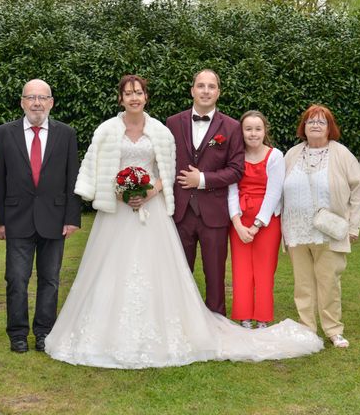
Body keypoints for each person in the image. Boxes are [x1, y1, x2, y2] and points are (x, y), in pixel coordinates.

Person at [45, 75, 323, 369]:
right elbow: (114, 167)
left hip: (183, 210)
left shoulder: (207, 128)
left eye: (139, 92)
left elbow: (205, 168)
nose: (134, 98)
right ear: (121, 98)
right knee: (133, 271)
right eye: (129, 94)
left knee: (198, 273)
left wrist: (160, 188)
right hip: (139, 213)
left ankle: (207, 322)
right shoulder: (152, 125)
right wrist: (122, 192)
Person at [0, 79, 80, 354]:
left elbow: (72, 178)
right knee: (16, 279)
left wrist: (72, 217)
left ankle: (45, 332)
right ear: (22, 102)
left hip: (54, 218)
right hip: (16, 217)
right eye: (31, 97)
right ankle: (17, 334)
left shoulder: (66, 134)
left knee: (50, 279)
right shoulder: (4, 133)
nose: (37, 103)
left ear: (51, 103)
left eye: (43, 98)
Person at [282, 105, 360, 349]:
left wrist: (352, 227)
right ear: (303, 128)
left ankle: (333, 329)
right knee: (303, 283)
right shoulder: (292, 154)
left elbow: (359, 188)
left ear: (330, 128)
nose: (315, 125)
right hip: (296, 230)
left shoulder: (340, 153)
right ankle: (307, 327)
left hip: (329, 231)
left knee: (329, 281)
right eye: (311, 122)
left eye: (321, 122)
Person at [166, 69, 244, 316]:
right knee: (178, 273)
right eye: (201, 86)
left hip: (214, 213)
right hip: (180, 212)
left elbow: (236, 170)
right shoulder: (172, 123)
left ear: (218, 92)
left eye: (211, 86)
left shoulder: (231, 127)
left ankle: (216, 323)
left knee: (215, 275)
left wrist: (201, 179)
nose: (206, 91)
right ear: (192, 90)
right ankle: (180, 321)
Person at [228, 111, 284, 329]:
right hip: (240, 218)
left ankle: (262, 317)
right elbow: (231, 190)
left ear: (265, 131)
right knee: (241, 268)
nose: (253, 133)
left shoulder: (275, 156)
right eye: (248, 129)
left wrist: (257, 224)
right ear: (241, 132)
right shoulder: (235, 156)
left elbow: (274, 193)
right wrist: (237, 223)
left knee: (264, 268)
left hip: (267, 220)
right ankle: (243, 316)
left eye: (257, 129)